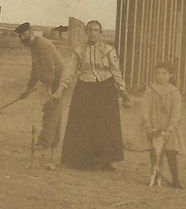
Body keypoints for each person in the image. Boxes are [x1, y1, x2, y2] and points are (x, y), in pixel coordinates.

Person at [49, 19, 131, 170]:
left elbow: (116, 72)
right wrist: (61, 88)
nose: (93, 33)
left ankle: (105, 161)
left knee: (105, 125)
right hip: (84, 89)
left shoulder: (109, 50)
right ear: (86, 32)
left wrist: (123, 92)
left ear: (100, 33)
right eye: (90, 30)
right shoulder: (79, 50)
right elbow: (70, 70)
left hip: (105, 90)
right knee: (82, 124)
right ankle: (81, 161)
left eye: (96, 30)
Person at [16, 22, 66, 148]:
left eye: (24, 34)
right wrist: (27, 88)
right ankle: (53, 141)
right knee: (55, 110)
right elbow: (36, 70)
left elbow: (49, 68)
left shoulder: (42, 45)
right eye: (20, 36)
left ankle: (44, 142)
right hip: (56, 78)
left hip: (59, 79)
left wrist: (48, 88)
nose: (22, 38)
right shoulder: (33, 46)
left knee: (51, 109)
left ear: (31, 32)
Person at [141, 61, 185, 188]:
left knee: (171, 152)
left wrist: (170, 130)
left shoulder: (174, 93)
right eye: (158, 73)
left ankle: (175, 179)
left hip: (169, 127)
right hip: (154, 125)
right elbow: (145, 109)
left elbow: (176, 114)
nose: (161, 76)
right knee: (155, 152)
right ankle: (154, 177)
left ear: (170, 75)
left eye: (164, 73)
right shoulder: (150, 90)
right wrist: (148, 126)